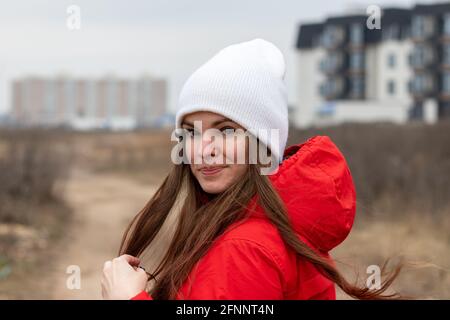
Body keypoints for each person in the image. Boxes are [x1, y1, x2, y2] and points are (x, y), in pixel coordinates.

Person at [101, 39, 402, 300]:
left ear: (264, 143)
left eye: (227, 130)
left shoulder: (245, 248)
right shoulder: (279, 226)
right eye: (191, 132)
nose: (204, 149)